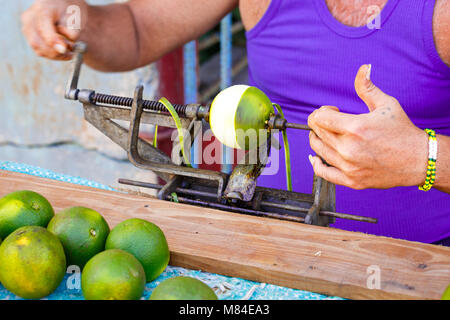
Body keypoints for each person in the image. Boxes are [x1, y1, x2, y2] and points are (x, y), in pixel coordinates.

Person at [21, 0, 450, 244]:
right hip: (268, 247)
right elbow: (136, 28)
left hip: (417, 263)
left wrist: (422, 157)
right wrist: (74, 20)